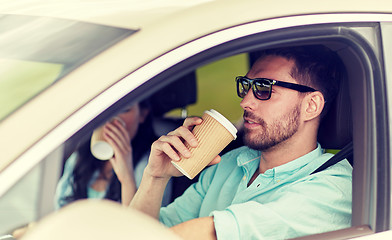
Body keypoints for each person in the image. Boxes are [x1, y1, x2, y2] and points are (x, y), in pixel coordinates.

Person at [129, 45, 353, 239]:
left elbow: (211, 233)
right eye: (246, 86)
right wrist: (156, 177)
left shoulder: (332, 187)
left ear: (311, 106)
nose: (245, 102)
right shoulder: (230, 163)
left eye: (264, 89)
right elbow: (147, 232)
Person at [54, 99, 172, 208]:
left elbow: (141, 225)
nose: (111, 120)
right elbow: (61, 206)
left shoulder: (154, 164)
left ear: (142, 114)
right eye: (106, 109)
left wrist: (126, 177)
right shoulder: (79, 157)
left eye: (124, 109)